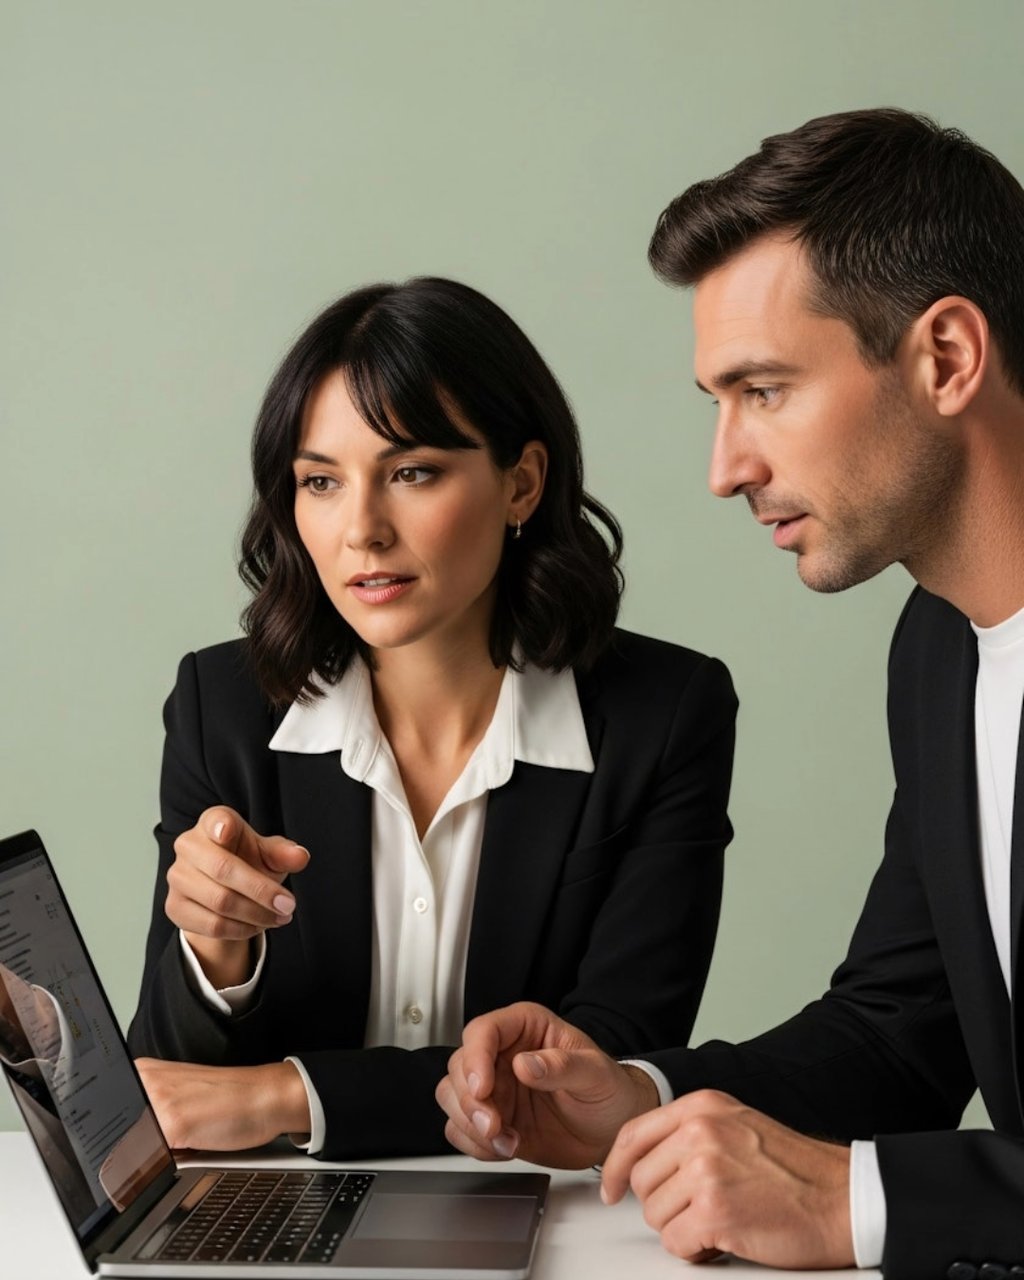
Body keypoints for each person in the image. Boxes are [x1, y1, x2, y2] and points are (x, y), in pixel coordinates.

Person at [436, 109, 1024, 1277]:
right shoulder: (937, 652)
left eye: (764, 390)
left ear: (947, 358)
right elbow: (898, 1031)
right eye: (718, 399)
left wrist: (858, 1201)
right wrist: (633, 1099)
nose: (726, 468)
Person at [126, 276, 737, 1160]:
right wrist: (214, 950)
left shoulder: (666, 715)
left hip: (546, 1202)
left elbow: (602, 1068)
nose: (362, 530)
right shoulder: (220, 706)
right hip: (280, 1208)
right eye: (321, 481)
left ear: (522, 483)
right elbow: (168, 1097)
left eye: (411, 473)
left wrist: (288, 1096)